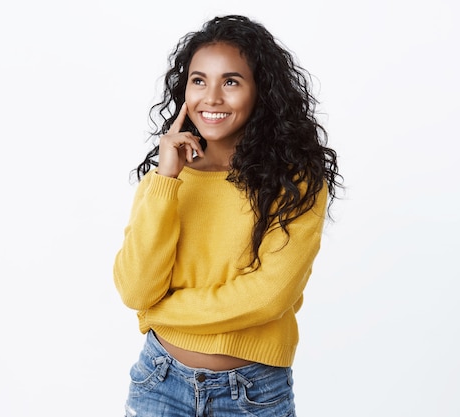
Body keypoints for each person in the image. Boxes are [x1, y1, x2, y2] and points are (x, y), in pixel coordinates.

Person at [113, 14, 342, 416]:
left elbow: (267, 297)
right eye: (199, 81)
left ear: (261, 91)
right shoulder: (167, 177)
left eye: (231, 81)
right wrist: (166, 178)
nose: (211, 98)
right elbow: (136, 289)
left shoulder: (295, 181)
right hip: (159, 383)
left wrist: (162, 312)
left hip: (253, 394)